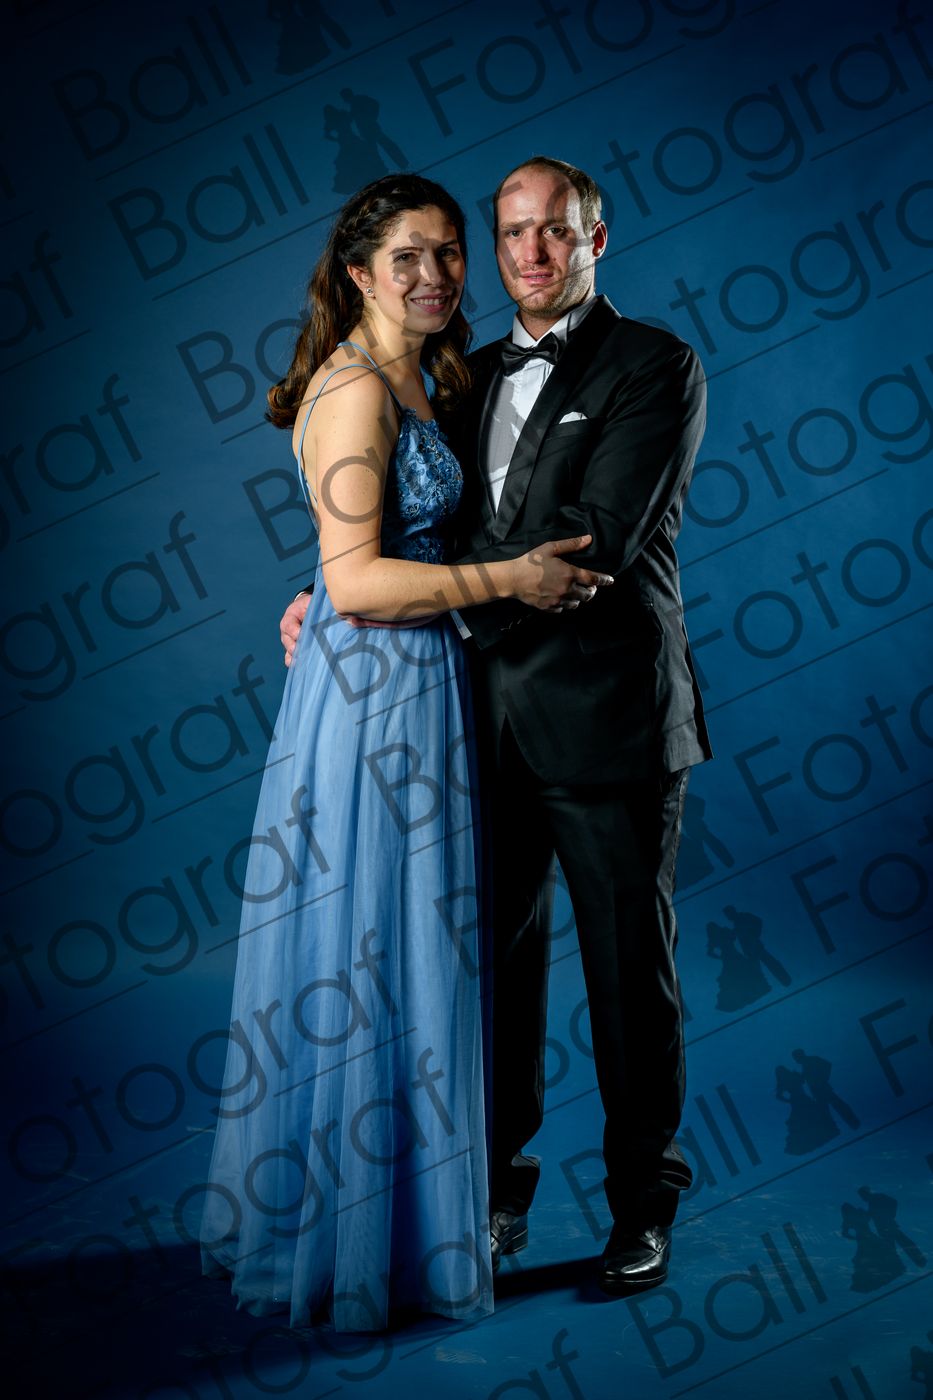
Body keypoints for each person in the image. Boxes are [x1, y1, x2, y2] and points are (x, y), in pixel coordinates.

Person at [282, 155, 711, 1296]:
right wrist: (331, 588)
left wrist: (375, 589)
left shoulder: (653, 364)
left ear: (594, 241)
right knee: (491, 977)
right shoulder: (455, 371)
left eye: (554, 231)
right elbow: (406, 517)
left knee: (628, 977)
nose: (529, 253)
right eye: (512, 231)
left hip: (608, 722)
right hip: (470, 722)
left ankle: (642, 1204)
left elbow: (594, 542)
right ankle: (495, 1190)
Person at [200, 173, 610, 1332]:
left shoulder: (432, 374)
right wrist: (512, 578)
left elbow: (376, 545)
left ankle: (402, 1223)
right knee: (370, 947)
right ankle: (348, 1239)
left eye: (448, 253)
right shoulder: (351, 388)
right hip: (374, 694)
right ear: (358, 274)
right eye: (408, 258)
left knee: (415, 951)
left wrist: (335, 584)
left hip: (429, 683)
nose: (435, 275)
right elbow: (357, 583)